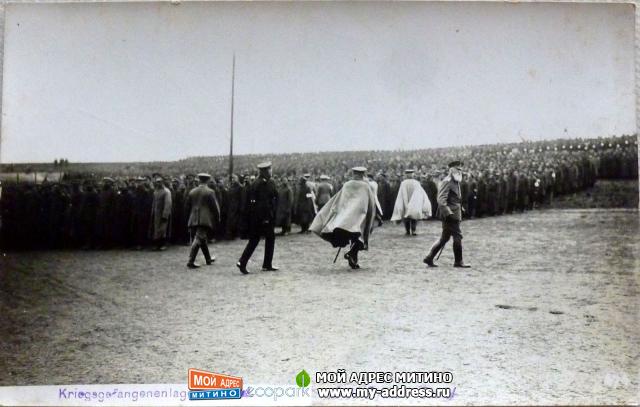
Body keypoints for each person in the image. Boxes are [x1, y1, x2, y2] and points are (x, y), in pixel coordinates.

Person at [310, 166, 377, 270]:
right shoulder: (366, 186)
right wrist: (371, 215)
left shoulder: (347, 185)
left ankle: (353, 260)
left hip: (347, 216)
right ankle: (352, 255)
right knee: (359, 237)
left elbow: (339, 200)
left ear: (354, 173)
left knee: (352, 236)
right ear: (363, 174)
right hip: (360, 215)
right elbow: (371, 203)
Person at [423, 161, 471, 268]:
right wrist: (448, 212)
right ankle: (458, 261)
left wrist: (460, 207)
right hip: (450, 215)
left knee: (444, 238)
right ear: (452, 170)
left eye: (460, 169)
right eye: (458, 169)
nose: (460, 171)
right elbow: (441, 200)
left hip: (454, 212)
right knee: (457, 236)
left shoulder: (456, 181)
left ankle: (429, 258)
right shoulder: (447, 181)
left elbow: (454, 198)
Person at [237, 162, 279, 274]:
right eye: (269, 169)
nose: (271, 171)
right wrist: (265, 218)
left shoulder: (265, 182)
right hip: (262, 217)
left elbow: (274, 196)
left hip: (260, 217)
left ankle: (245, 262)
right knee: (262, 239)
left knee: (258, 239)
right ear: (265, 171)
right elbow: (262, 203)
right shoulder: (261, 183)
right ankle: (261, 264)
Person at [185, 173, 220, 268]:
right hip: (205, 218)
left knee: (202, 238)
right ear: (208, 180)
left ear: (199, 180)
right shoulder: (210, 192)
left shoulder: (192, 191)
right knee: (199, 238)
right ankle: (190, 261)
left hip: (193, 217)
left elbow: (187, 206)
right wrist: (217, 217)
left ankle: (208, 259)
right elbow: (215, 207)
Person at [390, 169, 432, 236]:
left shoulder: (404, 183)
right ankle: (413, 230)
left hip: (408, 200)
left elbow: (401, 194)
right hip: (413, 202)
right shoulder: (415, 182)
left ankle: (408, 231)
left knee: (407, 216)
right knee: (413, 216)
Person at [149, 177, 173, 251]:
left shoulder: (166, 191)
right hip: (156, 213)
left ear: (162, 182)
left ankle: (163, 244)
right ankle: (156, 245)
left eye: (159, 182)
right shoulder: (156, 191)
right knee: (156, 230)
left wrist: (165, 215)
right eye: (157, 182)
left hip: (162, 213)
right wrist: (152, 211)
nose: (158, 183)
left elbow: (168, 204)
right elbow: (154, 202)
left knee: (163, 230)